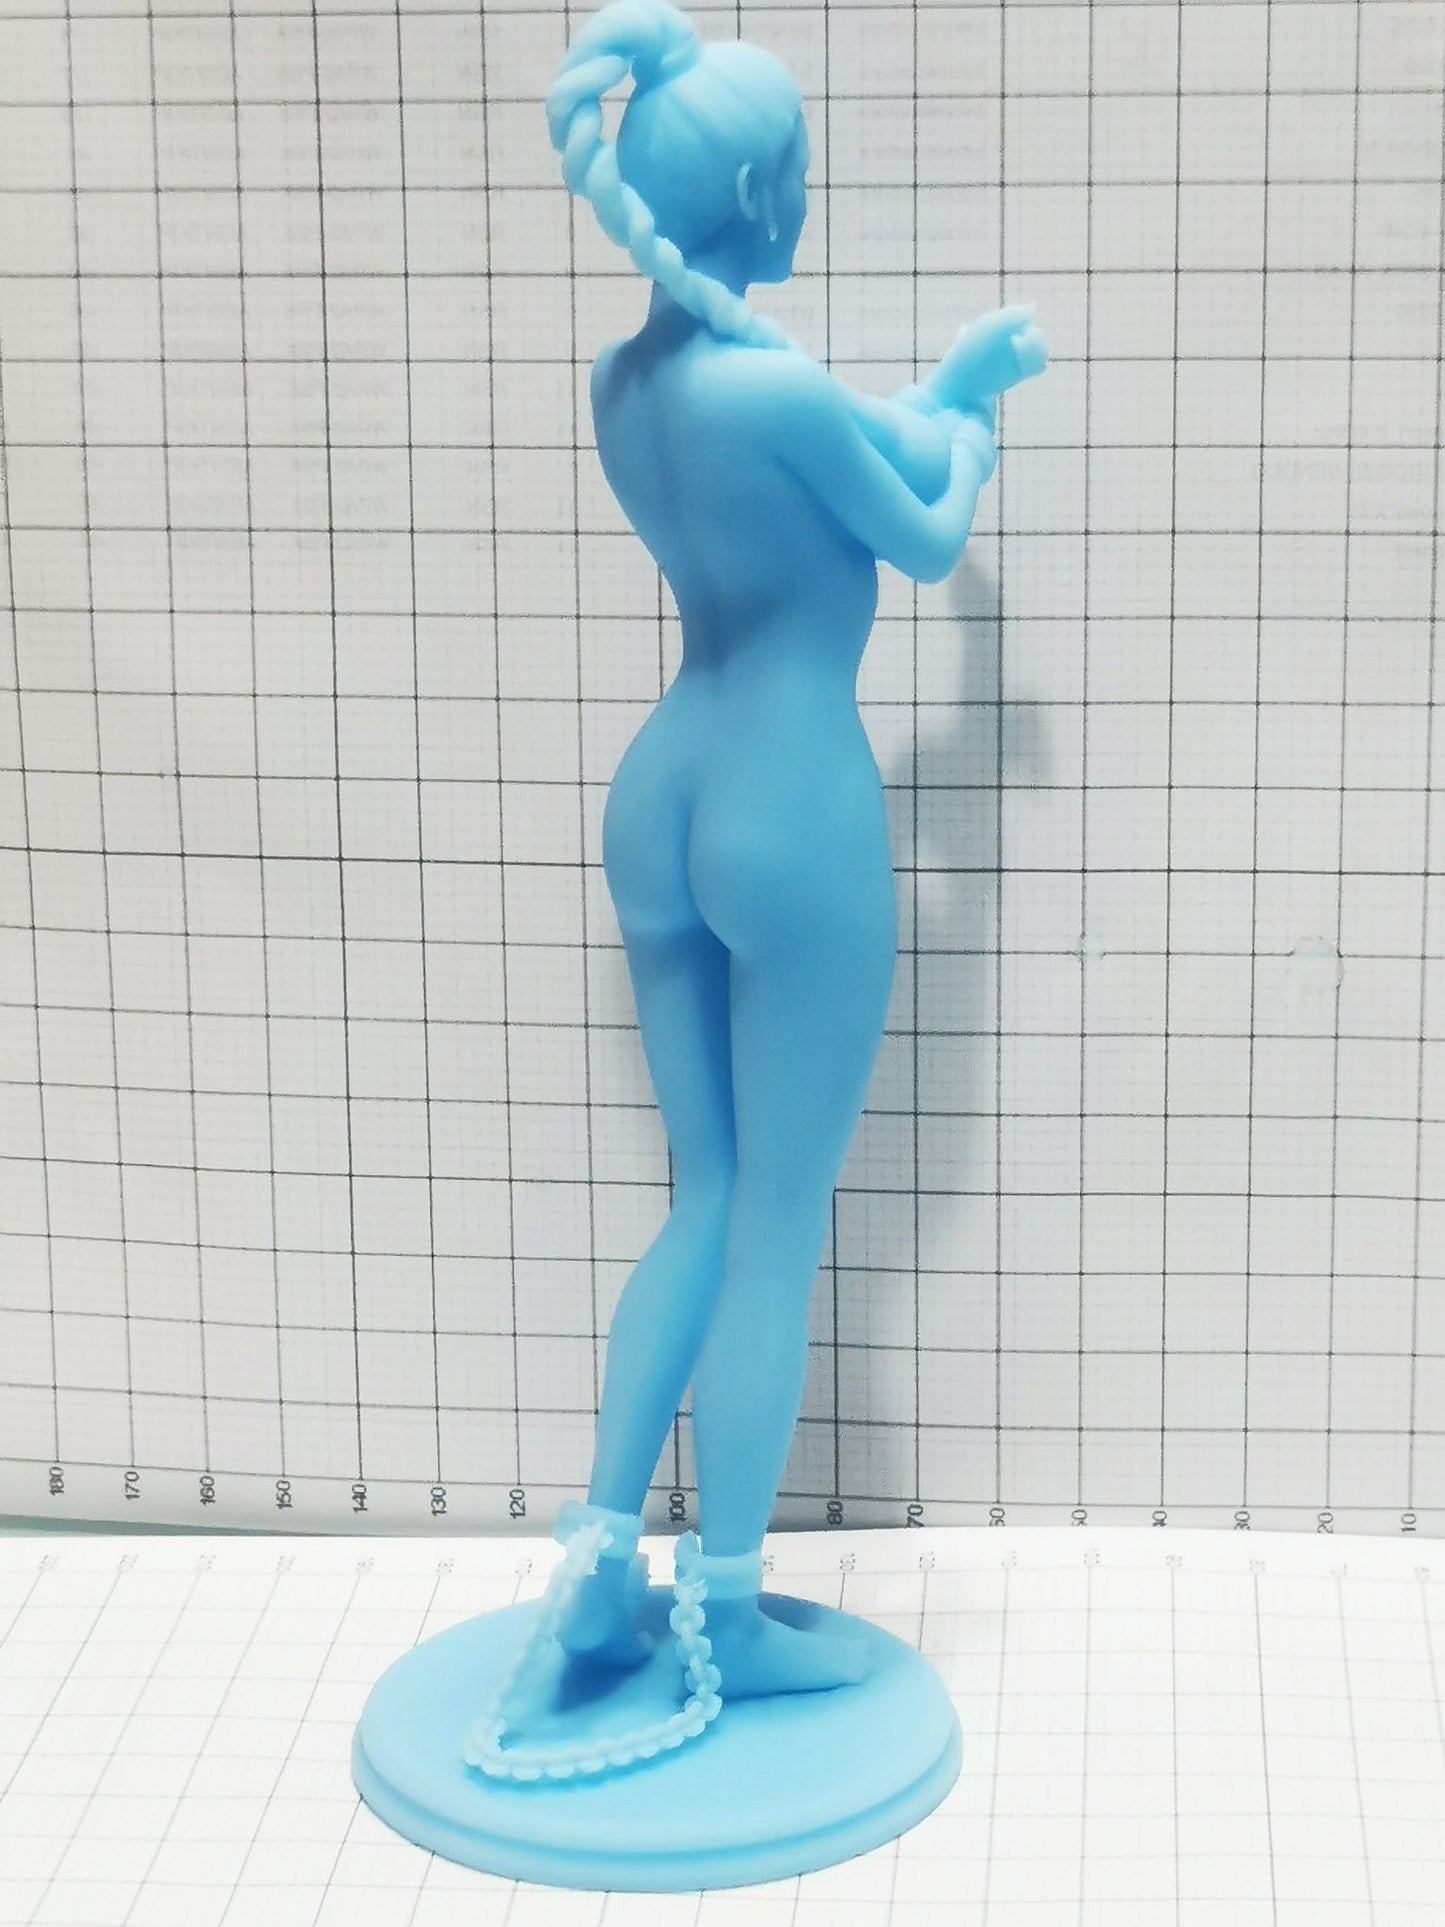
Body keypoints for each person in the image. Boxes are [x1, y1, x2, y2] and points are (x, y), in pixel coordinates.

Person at [542, 0, 1045, 1703]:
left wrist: (942, 390)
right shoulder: (775, 387)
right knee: (775, 1219)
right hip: (789, 803)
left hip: (662, 788)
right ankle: (730, 1614)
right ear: (762, 195)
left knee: (703, 1191)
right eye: (804, 175)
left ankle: (598, 1561)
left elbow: (827, 430)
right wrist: (974, 435)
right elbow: (922, 525)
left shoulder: (629, 381)